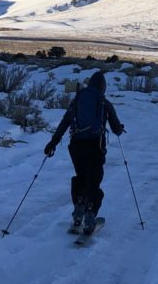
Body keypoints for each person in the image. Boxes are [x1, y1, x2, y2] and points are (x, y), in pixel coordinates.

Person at [44, 70, 125, 233]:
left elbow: (64, 123)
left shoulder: (77, 100)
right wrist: (119, 129)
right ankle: (90, 215)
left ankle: (79, 206)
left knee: (81, 177)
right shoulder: (104, 102)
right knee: (94, 183)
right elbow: (116, 128)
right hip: (95, 147)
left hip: (76, 147)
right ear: (103, 87)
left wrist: (52, 143)